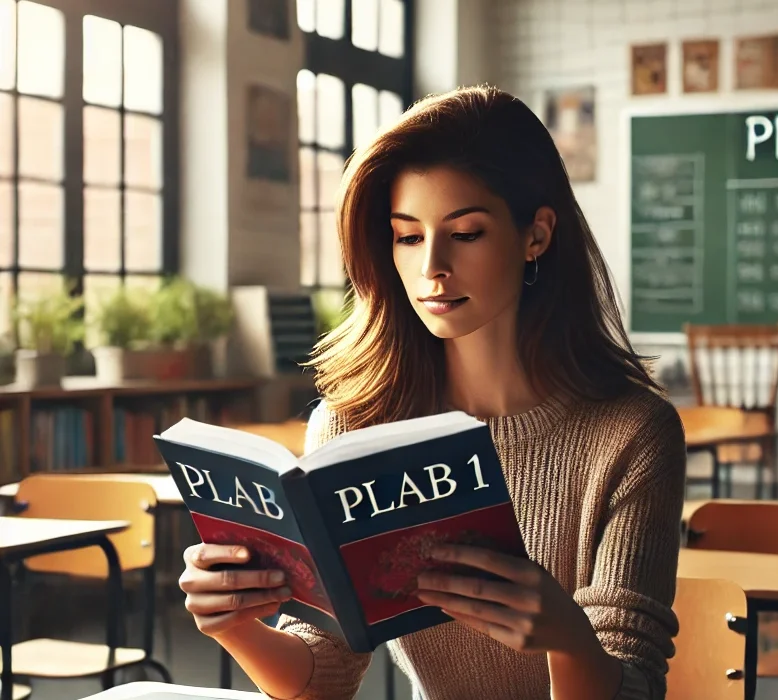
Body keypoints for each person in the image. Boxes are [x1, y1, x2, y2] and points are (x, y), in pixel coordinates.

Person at [178, 85, 687, 700]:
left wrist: (567, 638)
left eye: (465, 233)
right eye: (408, 236)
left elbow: (632, 686)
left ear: (537, 235)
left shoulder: (633, 433)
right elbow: (323, 676)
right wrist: (234, 627)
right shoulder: (352, 428)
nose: (432, 268)